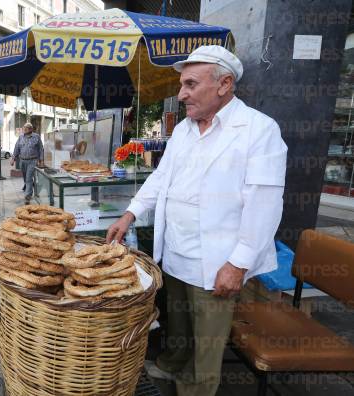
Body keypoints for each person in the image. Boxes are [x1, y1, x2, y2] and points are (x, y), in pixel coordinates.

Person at [106, 45, 287, 396]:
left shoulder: (258, 130)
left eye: (190, 84)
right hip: (177, 253)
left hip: (217, 261)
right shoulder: (186, 130)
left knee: (207, 343)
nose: (181, 94)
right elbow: (161, 179)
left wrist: (238, 264)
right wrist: (130, 213)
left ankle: (196, 390)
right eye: (182, 84)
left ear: (225, 84)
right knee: (180, 325)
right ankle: (171, 366)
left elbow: (264, 204)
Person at [11, 122, 43, 204]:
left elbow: (40, 149)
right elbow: (16, 148)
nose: (24, 129)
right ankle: (33, 188)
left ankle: (28, 196)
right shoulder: (21, 137)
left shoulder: (36, 137)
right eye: (24, 128)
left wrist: (41, 160)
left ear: (31, 129)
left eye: (26, 128)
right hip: (22, 161)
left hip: (33, 160)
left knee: (28, 178)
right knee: (25, 178)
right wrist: (13, 158)